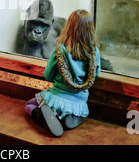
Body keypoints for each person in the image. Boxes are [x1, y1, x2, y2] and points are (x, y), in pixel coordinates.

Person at [25, 9, 101, 137]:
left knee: (28, 105)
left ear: (68, 27)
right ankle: (71, 118)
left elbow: (47, 75)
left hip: (56, 97)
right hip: (79, 102)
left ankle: (41, 115)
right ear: (90, 29)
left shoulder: (60, 50)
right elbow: (95, 74)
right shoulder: (94, 52)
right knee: (75, 111)